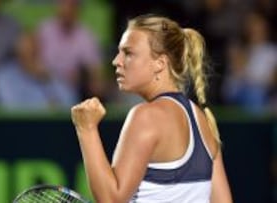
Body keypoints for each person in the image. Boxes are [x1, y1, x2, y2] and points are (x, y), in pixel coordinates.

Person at [71, 14, 232, 202]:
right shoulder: (202, 120)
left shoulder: (147, 117)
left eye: (128, 53)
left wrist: (87, 129)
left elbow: (111, 198)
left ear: (160, 64)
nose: (116, 61)